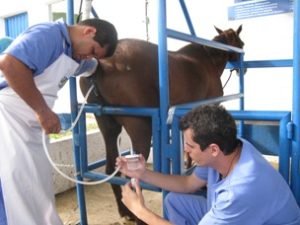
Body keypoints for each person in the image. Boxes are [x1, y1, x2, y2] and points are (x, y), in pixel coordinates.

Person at [0, 18, 118, 225]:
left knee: (38, 183)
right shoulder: (50, 34)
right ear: (88, 31)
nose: (88, 56)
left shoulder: (75, 54)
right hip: (9, 117)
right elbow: (9, 64)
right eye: (92, 49)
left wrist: (101, 62)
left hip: (32, 126)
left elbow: (91, 66)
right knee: (14, 181)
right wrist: (43, 111)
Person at [116, 104, 300, 225]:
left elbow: (233, 196)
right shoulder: (227, 147)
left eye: (190, 146)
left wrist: (140, 211)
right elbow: (188, 184)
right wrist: (142, 173)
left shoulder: (239, 190)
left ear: (213, 149)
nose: (186, 151)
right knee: (175, 200)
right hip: (241, 215)